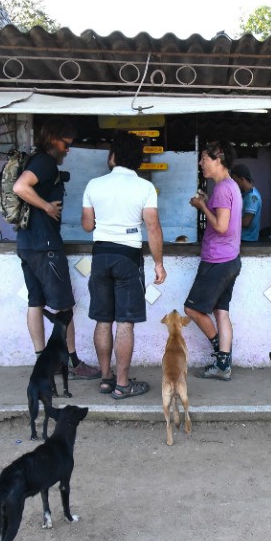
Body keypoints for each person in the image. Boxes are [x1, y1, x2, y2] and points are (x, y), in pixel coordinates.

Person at [13, 117, 100, 380]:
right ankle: (72, 363)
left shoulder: (35, 160)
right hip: (45, 245)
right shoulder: (45, 162)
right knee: (64, 307)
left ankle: (43, 362)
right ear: (53, 140)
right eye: (66, 144)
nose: (68, 150)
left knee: (36, 302)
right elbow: (20, 187)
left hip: (28, 244)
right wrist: (47, 206)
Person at [81, 132, 166, 399]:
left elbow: (87, 226)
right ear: (138, 160)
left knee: (103, 319)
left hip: (100, 255)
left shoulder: (94, 185)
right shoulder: (144, 188)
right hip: (128, 256)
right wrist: (159, 264)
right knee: (125, 322)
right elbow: (152, 227)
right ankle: (122, 384)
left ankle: (106, 379)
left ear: (113, 157)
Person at [185, 140, 242, 381]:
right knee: (221, 312)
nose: (200, 163)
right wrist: (207, 204)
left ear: (218, 160)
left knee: (192, 308)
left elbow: (221, 226)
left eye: (204, 159)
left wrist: (201, 205)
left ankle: (221, 356)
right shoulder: (231, 186)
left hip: (217, 260)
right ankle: (223, 365)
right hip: (230, 259)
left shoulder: (221, 189)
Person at [231, 163, 261, 242]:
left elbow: (246, 222)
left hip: (247, 240)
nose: (233, 183)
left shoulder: (252, 197)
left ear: (242, 179)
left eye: (235, 180)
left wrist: (226, 220)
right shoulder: (246, 194)